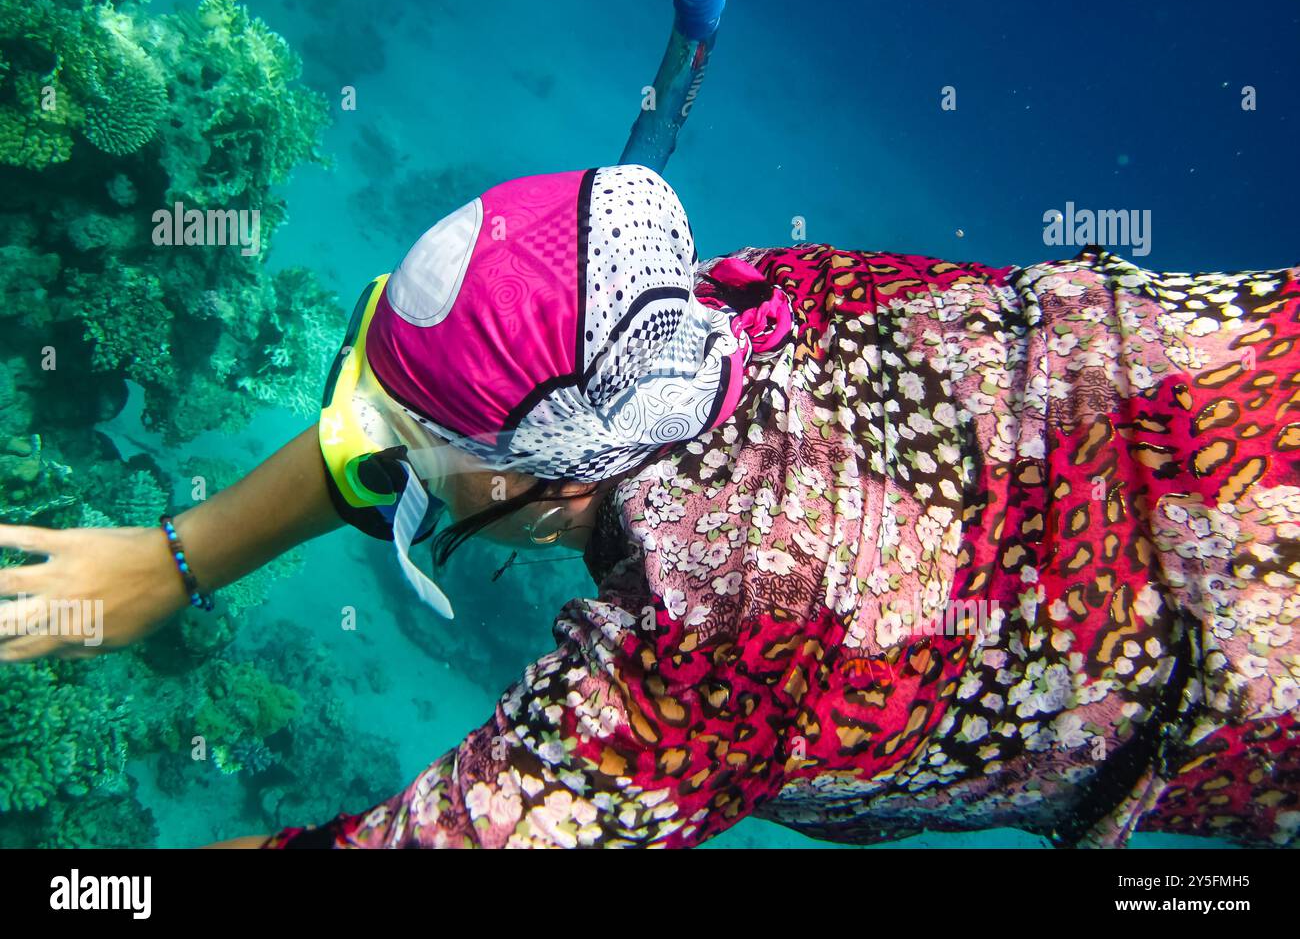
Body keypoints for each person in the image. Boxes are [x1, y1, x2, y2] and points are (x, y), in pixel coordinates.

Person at [2, 164, 1297, 849]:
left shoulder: (704, 657)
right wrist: (174, 560)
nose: (363, 471)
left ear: (545, 481)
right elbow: (448, 386)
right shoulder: (764, 301)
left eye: (406, 477)